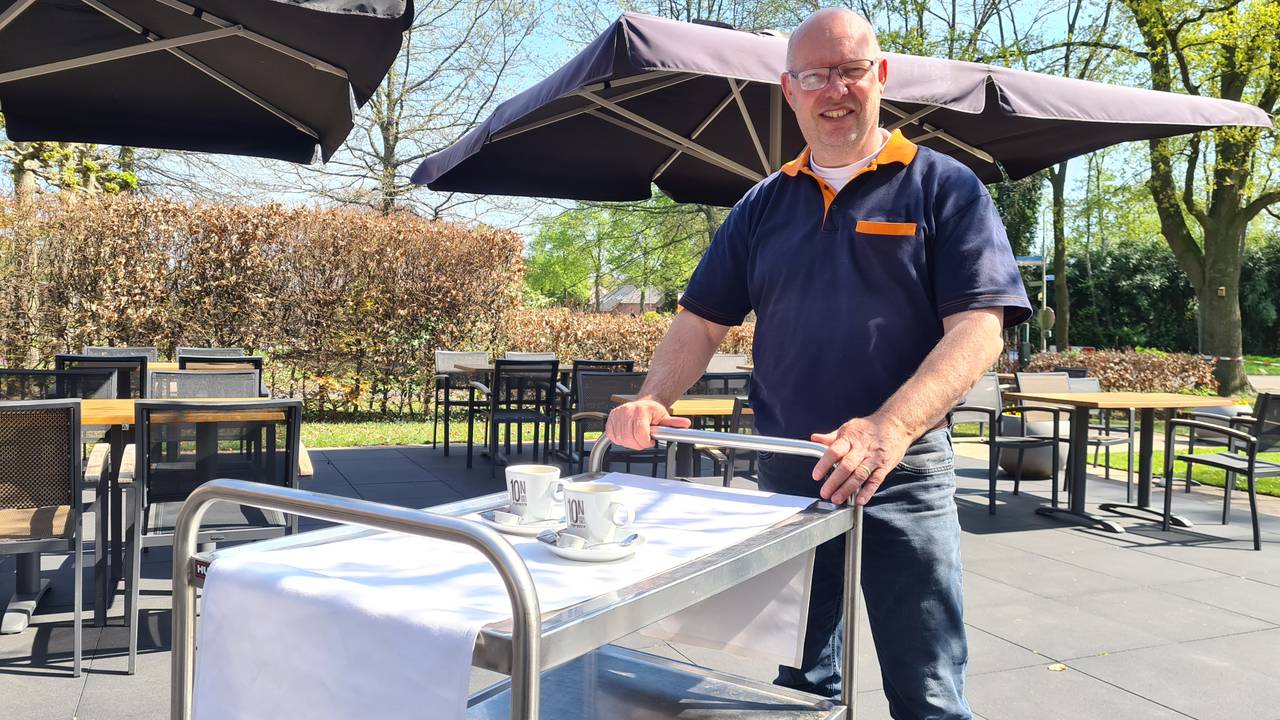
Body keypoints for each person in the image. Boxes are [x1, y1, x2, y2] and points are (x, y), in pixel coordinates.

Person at [605, 8, 1031, 720]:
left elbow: (981, 328)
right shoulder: (762, 204)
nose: (834, 89)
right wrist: (655, 397)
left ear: (880, 77)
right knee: (799, 683)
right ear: (790, 90)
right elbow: (701, 318)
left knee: (927, 685)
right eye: (814, 75)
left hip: (903, 469)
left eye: (850, 70)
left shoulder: (944, 186)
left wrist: (889, 429)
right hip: (787, 471)